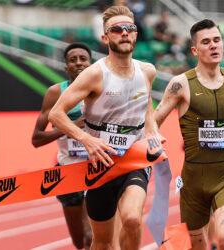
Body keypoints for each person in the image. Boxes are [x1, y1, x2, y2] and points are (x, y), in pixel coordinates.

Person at [48, 6, 160, 250]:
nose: (124, 33)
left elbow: (147, 106)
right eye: (117, 29)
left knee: (131, 219)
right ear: (105, 37)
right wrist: (86, 139)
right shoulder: (93, 74)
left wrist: (152, 132)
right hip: (100, 166)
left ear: (136, 34)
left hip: (134, 161)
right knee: (101, 242)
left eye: (129, 28)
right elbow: (56, 114)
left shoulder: (148, 71)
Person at [154, 19, 224, 250]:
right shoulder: (180, 84)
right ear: (195, 50)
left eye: (217, 40)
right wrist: (154, 138)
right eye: (206, 42)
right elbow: (154, 120)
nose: (213, 46)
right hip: (194, 181)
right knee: (196, 246)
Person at [31, 42, 93, 249]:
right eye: (72, 60)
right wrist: (70, 127)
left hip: (97, 169)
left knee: (92, 235)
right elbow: (37, 139)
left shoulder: (104, 90)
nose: (78, 63)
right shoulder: (55, 93)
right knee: (79, 242)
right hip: (67, 171)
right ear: (66, 67)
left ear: (91, 64)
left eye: (82, 59)